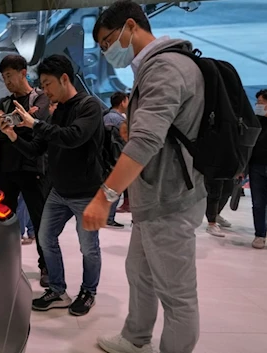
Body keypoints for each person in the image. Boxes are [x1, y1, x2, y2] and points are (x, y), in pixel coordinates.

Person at [84, 1, 207, 352]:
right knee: (140, 272)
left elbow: (147, 142)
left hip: (169, 198)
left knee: (177, 294)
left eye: (107, 42)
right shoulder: (158, 66)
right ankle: (136, 338)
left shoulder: (164, 67)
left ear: (130, 27)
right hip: (154, 196)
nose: (107, 52)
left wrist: (103, 197)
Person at [0, 54, 104, 316]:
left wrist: (35, 123)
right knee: (45, 239)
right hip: (59, 191)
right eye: (42, 85)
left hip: (86, 193)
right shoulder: (57, 112)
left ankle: (88, 292)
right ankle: (57, 289)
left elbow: (73, 137)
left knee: (88, 247)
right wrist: (13, 135)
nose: (44, 90)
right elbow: (37, 149)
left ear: (64, 78)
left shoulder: (89, 106)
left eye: (47, 84)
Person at [0, 54, 51, 287]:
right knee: (5, 220)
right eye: (3, 77)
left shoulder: (41, 97)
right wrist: (11, 120)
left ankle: (46, 266)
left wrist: (8, 120)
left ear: (23, 73)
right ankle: (6, 263)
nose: (6, 81)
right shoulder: (4, 102)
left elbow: (34, 119)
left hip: (32, 167)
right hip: (7, 169)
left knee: (39, 220)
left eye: (9, 75)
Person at [248, 88, 267, 249]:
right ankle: (260, 235)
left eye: (261, 103)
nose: (258, 106)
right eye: (257, 102)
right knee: (258, 203)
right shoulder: (256, 121)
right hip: (257, 167)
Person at [104, 91, 129, 228]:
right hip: (116, 160)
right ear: (122, 102)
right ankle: (109, 217)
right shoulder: (119, 121)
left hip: (106, 159)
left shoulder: (106, 116)